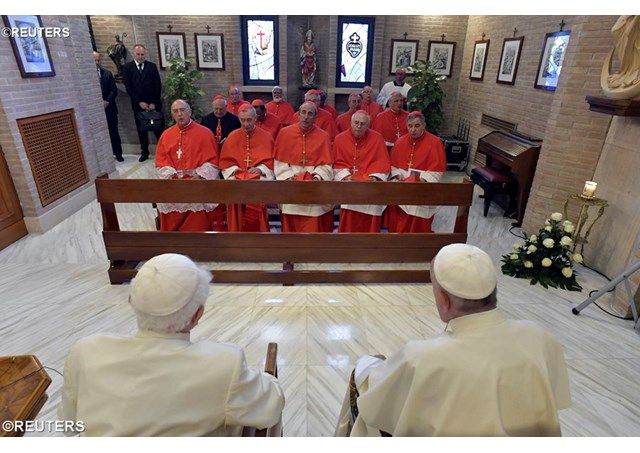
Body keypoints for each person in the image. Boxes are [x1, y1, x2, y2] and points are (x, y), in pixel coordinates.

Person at [336, 243, 571, 437]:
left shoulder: (421, 357)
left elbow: (377, 404)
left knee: (362, 373)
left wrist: (369, 364)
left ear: (443, 300)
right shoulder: (540, 336)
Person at [59, 253, 285, 436]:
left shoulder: (85, 352)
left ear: (131, 302)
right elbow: (271, 407)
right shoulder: (223, 363)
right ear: (197, 315)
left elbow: (69, 425)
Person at [155, 100, 227, 232]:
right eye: (175, 111)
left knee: (200, 201)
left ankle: (199, 236)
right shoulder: (166, 135)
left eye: (182, 110)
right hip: (174, 183)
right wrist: (172, 176)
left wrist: (200, 175)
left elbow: (213, 162)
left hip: (199, 183)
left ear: (190, 112)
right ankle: (172, 237)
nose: (179, 114)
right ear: (172, 115)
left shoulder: (205, 133)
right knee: (165, 200)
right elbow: (161, 162)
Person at [274, 101, 334, 232]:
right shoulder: (284, 133)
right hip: (291, 185)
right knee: (290, 212)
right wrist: (288, 177)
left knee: (314, 219)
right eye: (303, 112)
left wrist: (316, 177)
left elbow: (326, 164)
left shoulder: (323, 136)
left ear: (315, 118)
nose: (306, 117)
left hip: (314, 187)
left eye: (310, 114)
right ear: (298, 114)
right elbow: (279, 162)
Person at [387, 111, 446, 233]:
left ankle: (417, 241)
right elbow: (392, 165)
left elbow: (437, 170)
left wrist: (422, 180)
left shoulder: (435, 142)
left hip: (422, 188)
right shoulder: (400, 141)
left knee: (417, 215)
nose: (413, 130)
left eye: (417, 126)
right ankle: (397, 240)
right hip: (402, 186)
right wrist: (397, 175)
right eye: (410, 126)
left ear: (424, 125)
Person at [220, 105, 275, 232]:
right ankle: (236, 234)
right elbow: (225, 162)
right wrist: (235, 170)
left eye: (249, 120)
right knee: (235, 202)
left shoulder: (266, 137)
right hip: (237, 179)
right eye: (242, 120)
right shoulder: (232, 136)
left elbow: (271, 161)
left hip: (258, 181)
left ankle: (258, 235)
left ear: (255, 118)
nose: (246, 124)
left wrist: (261, 169)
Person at [334, 111, 390, 232]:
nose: (359, 126)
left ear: (368, 125)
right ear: (351, 123)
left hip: (371, 189)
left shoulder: (377, 138)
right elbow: (337, 164)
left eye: (363, 124)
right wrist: (347, 176)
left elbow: (382, 164)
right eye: (356, 123)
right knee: (349, 224)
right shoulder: (340, 139)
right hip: (349, 188)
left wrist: (375, 177)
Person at [121, 44, 162, 162]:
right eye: (138, 54)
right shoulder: (127, 68)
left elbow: (157, 85)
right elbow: (129, 87)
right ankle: (144, 152)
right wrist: (139, 102)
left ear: (145, 54)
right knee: (141, 129)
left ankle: (163, 152)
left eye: (142, 54)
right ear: (134, 54)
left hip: (153, 104)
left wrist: (153, 102)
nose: (140, 57)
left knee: (158, 129)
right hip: (138, 105)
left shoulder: (151, 66)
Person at [94, 51, 123, 162]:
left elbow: (114, 90)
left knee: (114, 132)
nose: (97, 63)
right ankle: (105, 156)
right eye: (95, 60)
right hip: (96, 110)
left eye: (98, 60)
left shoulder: (107, 74)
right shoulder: (86, 77)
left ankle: (118, 154)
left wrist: (106, 101)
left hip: (109, 108)